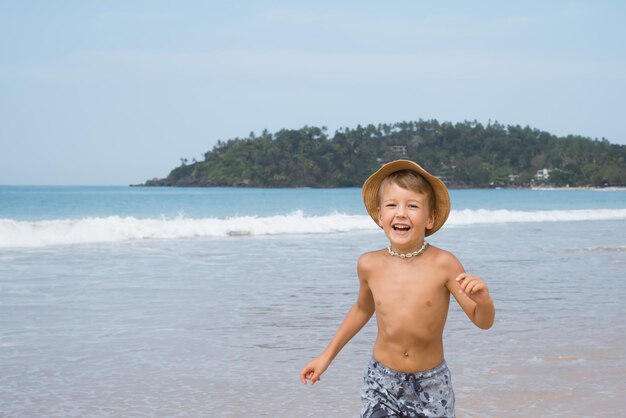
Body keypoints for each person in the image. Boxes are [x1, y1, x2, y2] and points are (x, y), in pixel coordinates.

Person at [299, 160, 495, 418]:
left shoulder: (444, 264)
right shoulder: (369, 264)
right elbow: (361, 309)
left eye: (412, 206)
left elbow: (483, 322)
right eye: (392, 205)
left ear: (430, 218)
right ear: (380, 216)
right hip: (381, 380)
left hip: (431, 384)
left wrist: (484, 301)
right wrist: (326, 356)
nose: (401, 213)